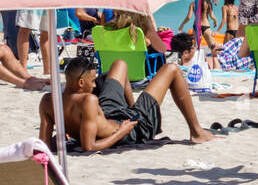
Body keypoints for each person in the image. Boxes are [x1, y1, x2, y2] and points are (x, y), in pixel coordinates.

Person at [40, 55, 216, 151]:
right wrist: (122, 131)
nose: (95, 85)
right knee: (172, 69)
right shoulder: (89, 100)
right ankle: (196, 131)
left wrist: (67, 135)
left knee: (120, 64)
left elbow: (44, 145)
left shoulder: (48, 101)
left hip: (109, 113)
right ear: (80, 83)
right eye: (92, 81)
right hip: (131, 131)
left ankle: (133, 108)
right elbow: (90, 147)